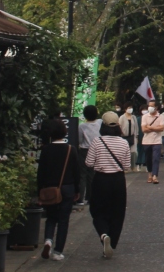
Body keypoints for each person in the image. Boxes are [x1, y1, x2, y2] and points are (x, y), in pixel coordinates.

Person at [86, 112, 131, 258]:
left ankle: (103, 234)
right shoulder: (123, 143)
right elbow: (127, 165)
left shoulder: (97, 141)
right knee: (117, 213)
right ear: (118, 125)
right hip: (118, 180)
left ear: (103, 125)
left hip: (101, 179)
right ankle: (112, 243)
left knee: (98, 210)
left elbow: (89, 162)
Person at [37, 118, 80, 261]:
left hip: (50, 189)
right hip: (67, 188)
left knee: (51, 217)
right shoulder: (71, 149)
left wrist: (39, 191)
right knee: (63, 220)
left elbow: (41, 173)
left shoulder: (46, 150)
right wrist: (77, 190)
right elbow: (76, 172)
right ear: (64, 132)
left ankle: (48, 241)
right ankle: (58, 251)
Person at [77, 104, 102, 207]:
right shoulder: (100, 123)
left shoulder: (81, 126)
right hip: (96, 149)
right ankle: (90, 197)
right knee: (92, 174)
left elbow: (79, 140)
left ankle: (80, 199)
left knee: (82, 174)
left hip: (84, 150)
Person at [141, 102, 164, 184]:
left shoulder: (160, 116)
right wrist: (156, 128)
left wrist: (150, 127)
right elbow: (144, 129)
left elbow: (161, 128)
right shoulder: (145, 116)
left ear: (156, 107)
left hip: (157, 141)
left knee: (156, 158)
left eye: (152, 106)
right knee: (148, 159)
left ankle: (155, 175)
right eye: (149, 106)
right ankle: (149, 174)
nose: (150, 107)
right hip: (146, 141)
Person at [119, 105, 140, 171]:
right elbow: (119, 126)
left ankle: (133, 166)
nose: (130, 109)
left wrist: (136, 136)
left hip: (132, 136)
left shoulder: (133, 117)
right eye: (129, 108)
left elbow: (136, 127)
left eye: (131, 108)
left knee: (133, 152)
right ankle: (125, 167)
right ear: (125, 109)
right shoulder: (122, 117)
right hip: (124, 137)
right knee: (124, 152)